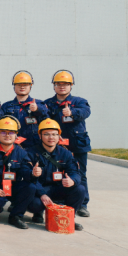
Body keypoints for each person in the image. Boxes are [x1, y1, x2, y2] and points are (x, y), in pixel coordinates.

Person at [44, 70, 92, 218]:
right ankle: (58, 198)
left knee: (79, 173)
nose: (62, 86)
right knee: (54, 172)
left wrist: (72, 113)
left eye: (66, 84)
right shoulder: (48, 103)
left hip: (77, 144)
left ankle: (82, 204)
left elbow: (86, 112)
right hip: (55, 145)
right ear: (54, 86)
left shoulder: (79, 102)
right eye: (58, 84)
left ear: (71, 85)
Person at [26, 119, 85, 231]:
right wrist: (42, 194)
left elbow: (75, 172)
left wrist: (72, 180)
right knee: (35, 204)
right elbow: (28, 178)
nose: (51, 137)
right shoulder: (31, 153)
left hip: (58, 188)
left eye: (54, 134)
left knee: (80, 189)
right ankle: (38, 213)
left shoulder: (66, 153)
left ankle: (69, 217)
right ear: (40, 136)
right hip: (40, 189)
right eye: (46, 134)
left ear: (59, 136)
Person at [1, 71, 48, 150]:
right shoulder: (6, 106)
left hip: (34, 146)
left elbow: (46, 116)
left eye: (25, 85)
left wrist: (37, 109)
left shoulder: (39, 103)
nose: (22, 87)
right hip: (12, 146)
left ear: (30, 86)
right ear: (14, 86)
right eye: (19, 85)